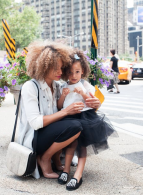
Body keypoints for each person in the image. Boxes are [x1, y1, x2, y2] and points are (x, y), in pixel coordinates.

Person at [17, 41, 102, 180]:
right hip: (34, 138)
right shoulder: (30, 87)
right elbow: (36, 123)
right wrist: (66, 111)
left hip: (51, 134)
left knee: (77, 124)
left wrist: (96, 103)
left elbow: (82, 98)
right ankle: (44, 158)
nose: (60, 72)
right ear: (44, 66)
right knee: (75, 126)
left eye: (62, 68)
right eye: (56, 68)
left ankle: (56, 159)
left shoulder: (58, 86)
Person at [57, 49, 116, 190]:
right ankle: (66, 170)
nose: (73, 75)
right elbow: (59, 106)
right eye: (70, 72)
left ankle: (78, 174)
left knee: (82, 146)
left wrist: (83, 93)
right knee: (71, 144)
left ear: (82, 71)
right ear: (66, 72)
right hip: (68, 117)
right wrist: (63, 96)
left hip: (84, 117)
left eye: (77, 72)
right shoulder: (64, 86)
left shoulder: (85, 85)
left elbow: (91, 102)